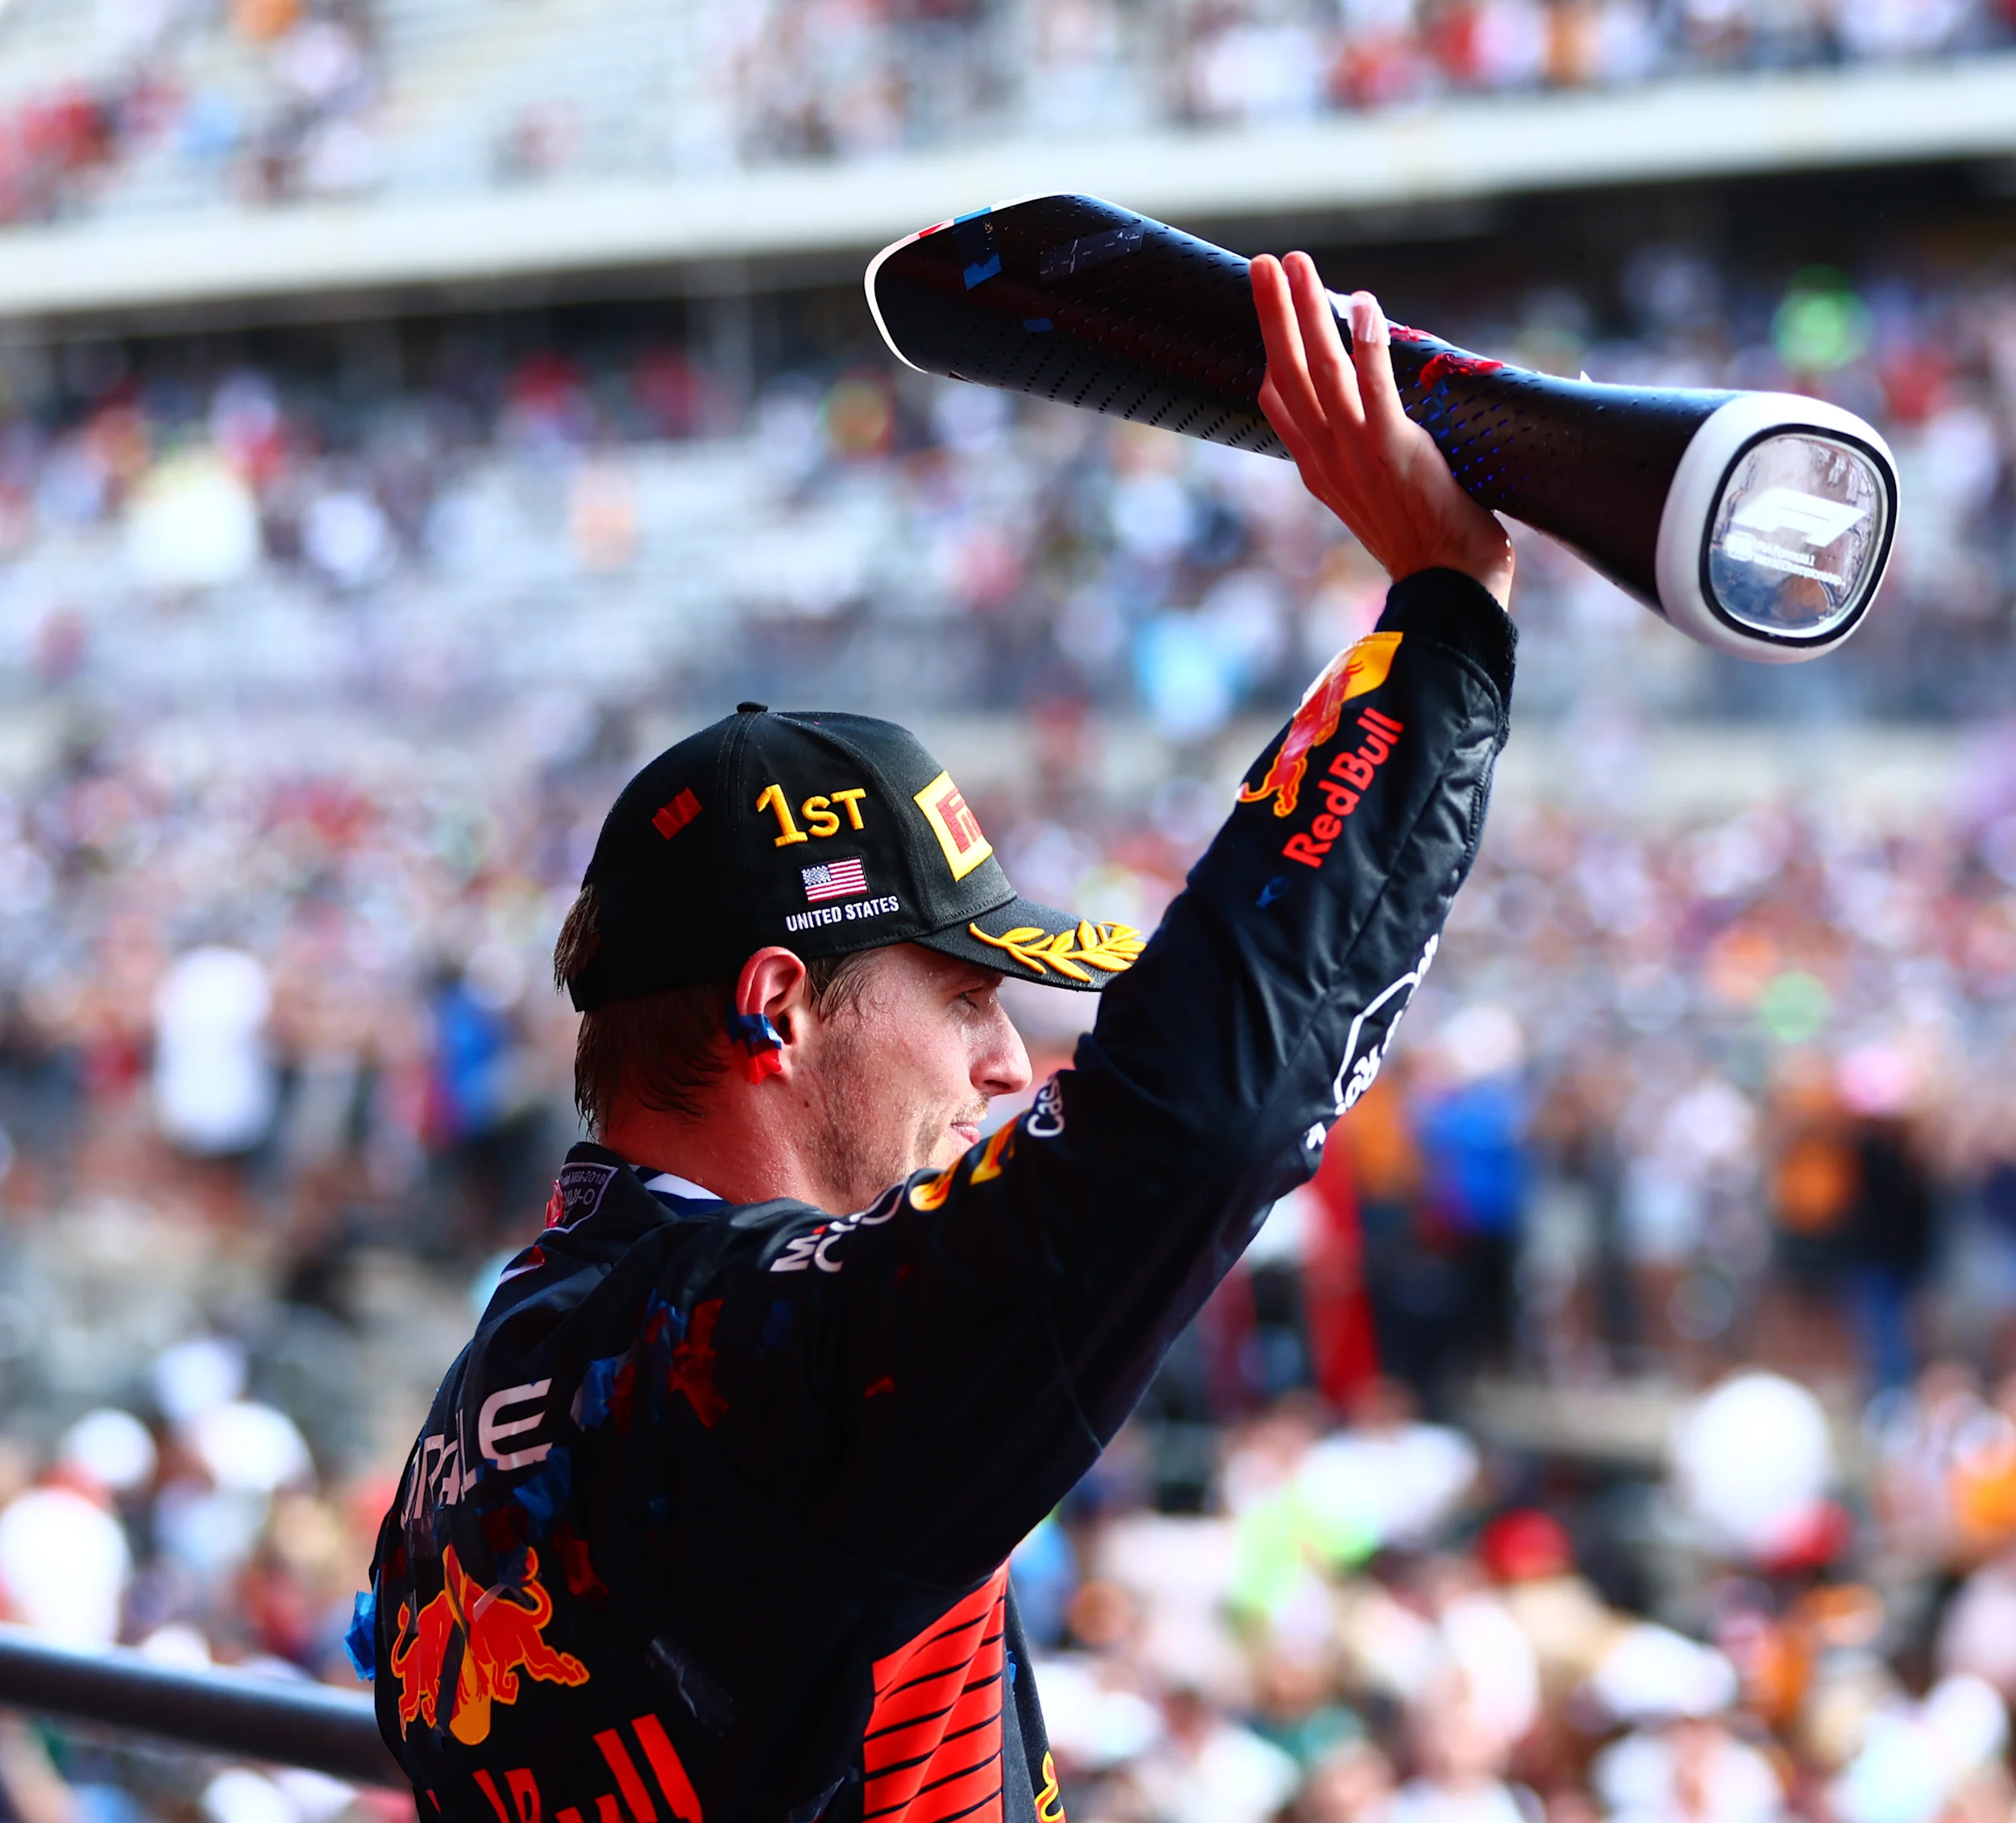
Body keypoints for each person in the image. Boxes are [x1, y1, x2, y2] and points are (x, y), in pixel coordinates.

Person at [361, 250, 1519, 1823]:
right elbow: (1191, 1121)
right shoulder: (740, 1366)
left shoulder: (507, 1368)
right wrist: (1445, 621)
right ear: (774, 1005)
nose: (1011, 1064)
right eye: (969, 1000)